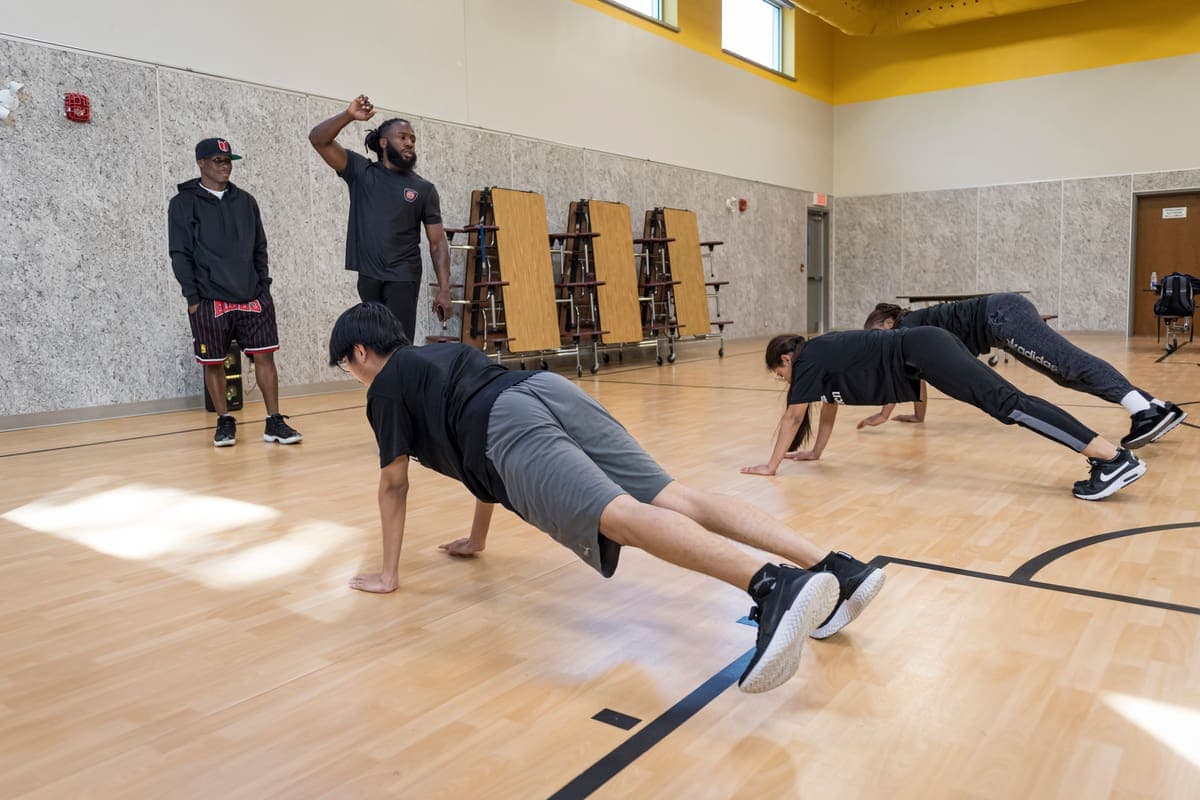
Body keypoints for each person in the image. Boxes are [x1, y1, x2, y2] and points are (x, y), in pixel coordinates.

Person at [328, 302, 886, 694]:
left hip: (503, 422)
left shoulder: (386, 389)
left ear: (360, 352)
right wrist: (477, 538)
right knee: (675, 496)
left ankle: (772, 585)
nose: (353, 375)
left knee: (619, 516)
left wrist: (388, 573)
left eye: (347, 366)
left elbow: (394, 483)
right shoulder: (439, 354)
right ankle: (835, 567)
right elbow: (476, 458)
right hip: (543, 388)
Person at [741, 328, 1147, 501]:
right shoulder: (819, 359)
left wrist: (770, 466)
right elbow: (828, 405)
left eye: (779, 374)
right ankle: (1109, 458)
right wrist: (815, 453)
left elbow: (794, 416)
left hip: (925, 349)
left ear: (786, 359)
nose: (783, 380)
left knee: (1009, 404)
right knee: (1009, 404)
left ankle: (1112, 458)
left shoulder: (809, 357)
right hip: (924, 350)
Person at [860, 294, 1187, 448]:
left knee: (1068, 363)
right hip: (1000, 324)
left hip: (1001, 316)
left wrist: (885, 413)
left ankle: (1143, 411)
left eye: (874, 335)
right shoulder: (910, 334)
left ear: (888, 324)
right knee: (1064, 374)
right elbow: (914, 376)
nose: (875, 344)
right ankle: (1156, 407)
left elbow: (902, 375)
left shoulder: (907, 330)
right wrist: (909, 416)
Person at [168, 137, 302, 447]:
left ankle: (274, 421)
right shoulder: (183, 203)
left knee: (265, 357)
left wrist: (264, 287)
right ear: (201, 163)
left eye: (228, 160)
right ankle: (224, 420)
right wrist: (192, 298)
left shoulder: (246, 201)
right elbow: (179, 253)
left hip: (252, 295)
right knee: (213, 362)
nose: (225, 165)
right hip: (209, 299)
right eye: (218, 160)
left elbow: (260, 247)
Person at [309, 94, 452, 340]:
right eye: (402, 137)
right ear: (384, 143)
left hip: (403, 276)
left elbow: (438, 243)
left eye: (412, 139)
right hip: (369, 276)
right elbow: (318, 139)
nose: (409, 143)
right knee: (374, 343)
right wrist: (348, 116)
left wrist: (444, 289)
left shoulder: (424, 189)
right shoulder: (361, 172)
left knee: (398, 344)